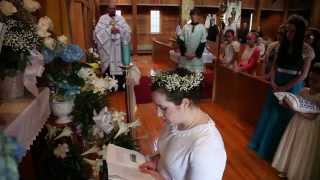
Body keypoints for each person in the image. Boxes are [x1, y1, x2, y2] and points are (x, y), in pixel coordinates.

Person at [139, 68, 227, 180]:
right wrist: (156, 162)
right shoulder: (176, 121)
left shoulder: (207, 146)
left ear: (185, 103)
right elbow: (168, 152)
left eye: (163, 108)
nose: (158, 114)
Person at [248, 15, 315, 161]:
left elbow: (303, 75)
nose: (289, 34)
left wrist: (285, 87)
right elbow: (274, 67)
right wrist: (273, 82)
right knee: (268, 115)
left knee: (280, 118)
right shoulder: (281, 46)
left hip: (292, 85)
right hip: (277, 82)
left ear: (300, 33)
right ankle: (261, 147)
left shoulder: (307, 50)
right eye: (288, 31)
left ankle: (275, 153)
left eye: (293, 32)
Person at [272, 63, 320, 180]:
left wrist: (295, 109)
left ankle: (298, 174)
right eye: (311, 79)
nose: (312, 82)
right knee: (293, 145)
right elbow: (297, 104)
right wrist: (286, 104)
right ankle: (288, 170)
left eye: (316, 81)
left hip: (309, 128)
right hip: (296, 123)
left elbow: (311, 116)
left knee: (302, 149)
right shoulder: (304, 90)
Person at [94, 2, 131, 83]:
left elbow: (127, 31)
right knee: (109, 65)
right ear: (108, 9)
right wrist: (109, 30)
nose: (112, 10)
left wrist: (119, 30)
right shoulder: (102, 18)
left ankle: (120, 84)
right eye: (111, 8)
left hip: (118, 49)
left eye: (114, 8)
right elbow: (98, 32)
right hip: (108, 47)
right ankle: (109, 84)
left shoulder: (120, 18)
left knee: (120, 65)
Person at [177, 8, 207, 72]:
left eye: (196, 15)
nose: (194, 16)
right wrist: (184, 53)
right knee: (184, 75)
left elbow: (203, 43)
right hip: (185, 57)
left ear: (199, 16)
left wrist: (195, 54)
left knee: (196, 76)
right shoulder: (185, 27)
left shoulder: (202, 28)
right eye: (192, 15)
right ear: (190, 16)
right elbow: (181, 41)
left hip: (196, 58)